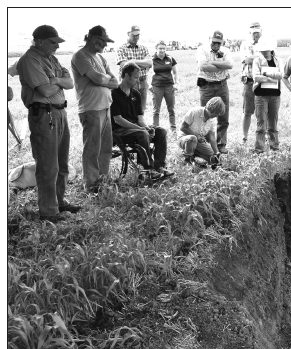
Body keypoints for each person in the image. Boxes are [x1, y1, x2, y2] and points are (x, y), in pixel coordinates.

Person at [16, 25, 81, 223]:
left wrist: (56, 80)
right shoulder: (30, 59)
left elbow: (70, 83)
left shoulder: (50, 58)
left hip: (59, 112)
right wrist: (58, 81)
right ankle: (48, 211)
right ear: (40, 41)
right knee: (47, 165)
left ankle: (59, 202)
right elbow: (44, 90)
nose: (56, 47)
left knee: (61, 163)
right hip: (43, 115)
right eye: (53, 43)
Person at [71, 25, 119, 193]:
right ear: (93, 38)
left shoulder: (101, 58)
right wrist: (103, 79)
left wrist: (103, 79)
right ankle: (91, 185)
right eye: (103, 41)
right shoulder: (80, 56)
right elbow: (98, 78)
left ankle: (103, 180)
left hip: (106, 107)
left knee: (106, 148)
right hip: (91, 108)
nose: (105, 45)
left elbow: (116, 82)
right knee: (92, 148)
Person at [110, 62, 174, 180]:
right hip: (119, 131)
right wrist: (141, 129)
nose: (138, 81)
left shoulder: (136, 94)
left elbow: (140, 118)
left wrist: (147, 127)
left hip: (135, 128)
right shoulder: (114, 94)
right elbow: (118, 120)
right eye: (135, 77)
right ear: (126, 76)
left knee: (161, 131)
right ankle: (147, 169)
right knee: (142, 133)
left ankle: (159, 166)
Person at [196, 30, 233, 154]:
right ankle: (206, 145)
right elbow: (203, 66)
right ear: (210, 39)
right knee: (205, 115)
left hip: (222, 85)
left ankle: (221, 144)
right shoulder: (202, 49)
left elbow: (230, 65)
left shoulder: (226, 51)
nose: (216, 45)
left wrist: (211, 62)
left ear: (222, 42)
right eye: (214, 42)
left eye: (219, 43)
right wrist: (221, 65)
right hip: (206, 85)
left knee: (223, 114)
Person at [252, 38, 283, 153]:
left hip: (275, 96)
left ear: (271, 49)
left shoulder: (278, 60)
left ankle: (274, 147)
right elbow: (256, 77)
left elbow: (281, 75)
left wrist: (265, 74)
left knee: (273, 123)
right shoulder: (257, 61)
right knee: (261, 124)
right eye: (262, 50)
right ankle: (259, 149)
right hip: (261, 95)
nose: (264, 52)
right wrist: (270, 78)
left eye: (266, 50)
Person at [176, 97, 226, 168]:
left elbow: (212, 138)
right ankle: (188, 160)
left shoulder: (213, 120)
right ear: (211, 109)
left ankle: (196, 155)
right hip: (185, 138)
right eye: (216, 113)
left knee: (212, 158)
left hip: (199, 141)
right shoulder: (195, 112)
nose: (217, 116)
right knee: (192, 138)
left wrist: (216, 153)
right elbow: (183, 127)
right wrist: (196, 136)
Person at [116, 25, 152, 112]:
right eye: (134, 35)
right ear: (128, 34)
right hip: (128, 82)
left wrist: (131, 61)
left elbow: (149, 63)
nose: (136, 37)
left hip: (143, 82)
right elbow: (124, 66)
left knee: (141, 109)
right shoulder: (121, 48)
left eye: (138, 35)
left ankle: (140, 125)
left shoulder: (143, 48)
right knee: (128, 109)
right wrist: (141, 63)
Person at [240, 22, 262, 144]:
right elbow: (247, 60)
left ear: (261, 32)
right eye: (254, 33)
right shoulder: (245, 44)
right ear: (250, 33)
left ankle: (262, 135)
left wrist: (255, 57)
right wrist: (262, 56)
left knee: (263, 110)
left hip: (263, 81)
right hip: (249, 81)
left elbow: (271, 59)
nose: (256, 35)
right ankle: (245, 137)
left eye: (258, 32)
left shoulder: (266, 43)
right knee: (247, 111)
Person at [150, 41, 178, 132]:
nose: (162, 50)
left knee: (171, 109)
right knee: (156, 110)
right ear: (156, 49)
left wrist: (176, 83)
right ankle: (156, 129)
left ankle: (173, 128)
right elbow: (147, 72)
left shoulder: (170, 58)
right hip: (157, 86)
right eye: (160, 48)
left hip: (169, 86)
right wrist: (149, 85)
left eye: (163, 48)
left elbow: (175, 72)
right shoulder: (152, 59)